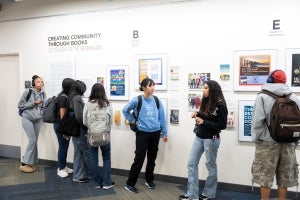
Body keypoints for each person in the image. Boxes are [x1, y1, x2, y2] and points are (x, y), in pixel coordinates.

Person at [251, 70, 299, 200]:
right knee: (284, 176)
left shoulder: (262, 96)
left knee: (265, 175)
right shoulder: (293, 97)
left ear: (270, 79)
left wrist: (257, 139)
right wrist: (295, 141)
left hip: (267, 143)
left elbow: (257, 121)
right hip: (288, 142)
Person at [179, 80, 228, 200]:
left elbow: (222, 125)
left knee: (210, 166)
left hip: (211, 139)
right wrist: (197, 115)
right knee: (191, 163)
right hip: (199, 136)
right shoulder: (206, 101)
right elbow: (205, 116)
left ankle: (208, 194)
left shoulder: (221, 105)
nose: (203, 90)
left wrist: (204, 121)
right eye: (203, 88)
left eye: (206, 88)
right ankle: (192, 195)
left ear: (212, 89)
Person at [122, 77, 168, 193]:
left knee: (152, 158)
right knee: (139, 159)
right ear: (143, 87)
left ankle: (149, 180)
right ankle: (130, 183)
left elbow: (162, 117)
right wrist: (133, 121)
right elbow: (125, 110)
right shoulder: (137, 100)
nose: (152, 88)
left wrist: (165, 132)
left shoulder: (157, 100)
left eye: (153, 85)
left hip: (155, 133)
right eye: (149, 85)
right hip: (142, 133)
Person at [83, 83, 115, 189]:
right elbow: (110, 121)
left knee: (93, 159)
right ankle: (106, 183)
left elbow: (84, 121)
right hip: (105, 134)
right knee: (106, 158)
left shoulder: (87, 105)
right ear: (103, 92)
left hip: (92, 135)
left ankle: (97, 182)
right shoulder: (108, 104)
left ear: (92, 92)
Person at [18, 75, 46, 173]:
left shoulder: (43, 93)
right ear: (34, 83)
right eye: (38, 82)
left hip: (37, 119)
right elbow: (20, 105)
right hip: (27, 118)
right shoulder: (28, 92)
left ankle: (31, 163)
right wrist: (33, 103)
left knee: (35, 141)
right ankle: (24, 163)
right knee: (32, 140)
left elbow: (44, 106)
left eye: (42, 82)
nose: (40, 83)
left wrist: (41, 114)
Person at [68, 80, 91, 183]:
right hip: (79, 129)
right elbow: (79, 116)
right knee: (84, 151)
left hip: (75, 129)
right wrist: (85, 127)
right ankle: (81, 175)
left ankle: (79, 175)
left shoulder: (71, 97)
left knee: (78, 152)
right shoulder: (77, 98)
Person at [53, 78, 76, 178]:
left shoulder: (65, 96)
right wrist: (64, 130)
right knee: (62, 147)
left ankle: (64, 166)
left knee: (65, 146)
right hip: (61, 126)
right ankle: (60, 168)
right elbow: (62, 116)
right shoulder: (63, 97)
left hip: (63, 126)